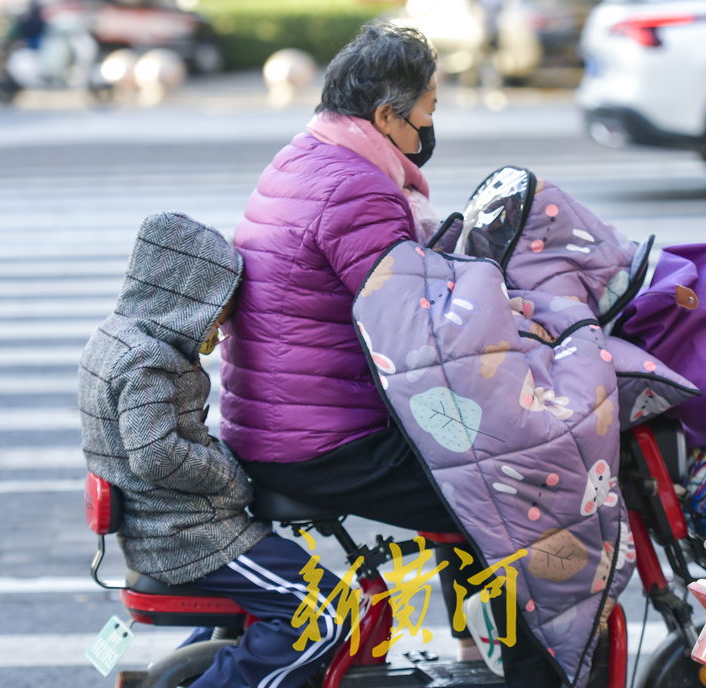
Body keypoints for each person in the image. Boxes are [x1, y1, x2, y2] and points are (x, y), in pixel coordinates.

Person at [219, 22, 560, 684]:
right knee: (494, 500)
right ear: (385, 114)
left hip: (283, 422)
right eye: (427, 110)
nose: (431, 126)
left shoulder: (307, 158)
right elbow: (412, 326)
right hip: (320, 442)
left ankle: (470, 655)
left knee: (467, 491)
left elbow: (379, 284)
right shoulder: (359, 187)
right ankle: (528, 676)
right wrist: (496, 311)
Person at [78, 212, 350, 688]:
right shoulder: (148, 359)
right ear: (188, 295)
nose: (223, 320)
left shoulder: (115, 336)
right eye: (220, 305)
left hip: (163, 525)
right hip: (189, 536)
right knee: (325, 613)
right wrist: (231, 476)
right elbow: (156, 454)